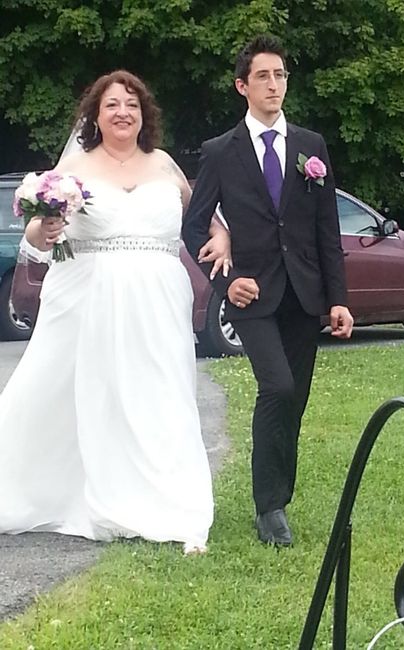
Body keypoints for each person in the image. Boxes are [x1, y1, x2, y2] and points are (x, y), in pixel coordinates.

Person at [0, 70, 230, 554]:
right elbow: (39, 235)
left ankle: (168, 501)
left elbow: (203, 219)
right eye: (111, 105)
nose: (123, 112)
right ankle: (54, 487)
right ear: (95, 115)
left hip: (159, 302)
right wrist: (45, 229)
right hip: (88, 299)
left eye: (131, 104)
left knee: (160, 394)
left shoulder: (164, 165)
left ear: (144, 114)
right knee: (82, 391)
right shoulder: (73, 169)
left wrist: (223, 236)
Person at [182, 35, 354, 547]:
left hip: (304, 294)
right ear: (243, 86)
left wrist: (338, 299)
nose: (274, 84)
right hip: (252, 296)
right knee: (276, 387)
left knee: (293, 398)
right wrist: (225, 281)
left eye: (280, 75)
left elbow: (326, 230)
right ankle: (269, 508)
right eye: (263, 76)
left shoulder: (311, 146)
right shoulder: (220, 152)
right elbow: (194, 227)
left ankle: (280, 496)